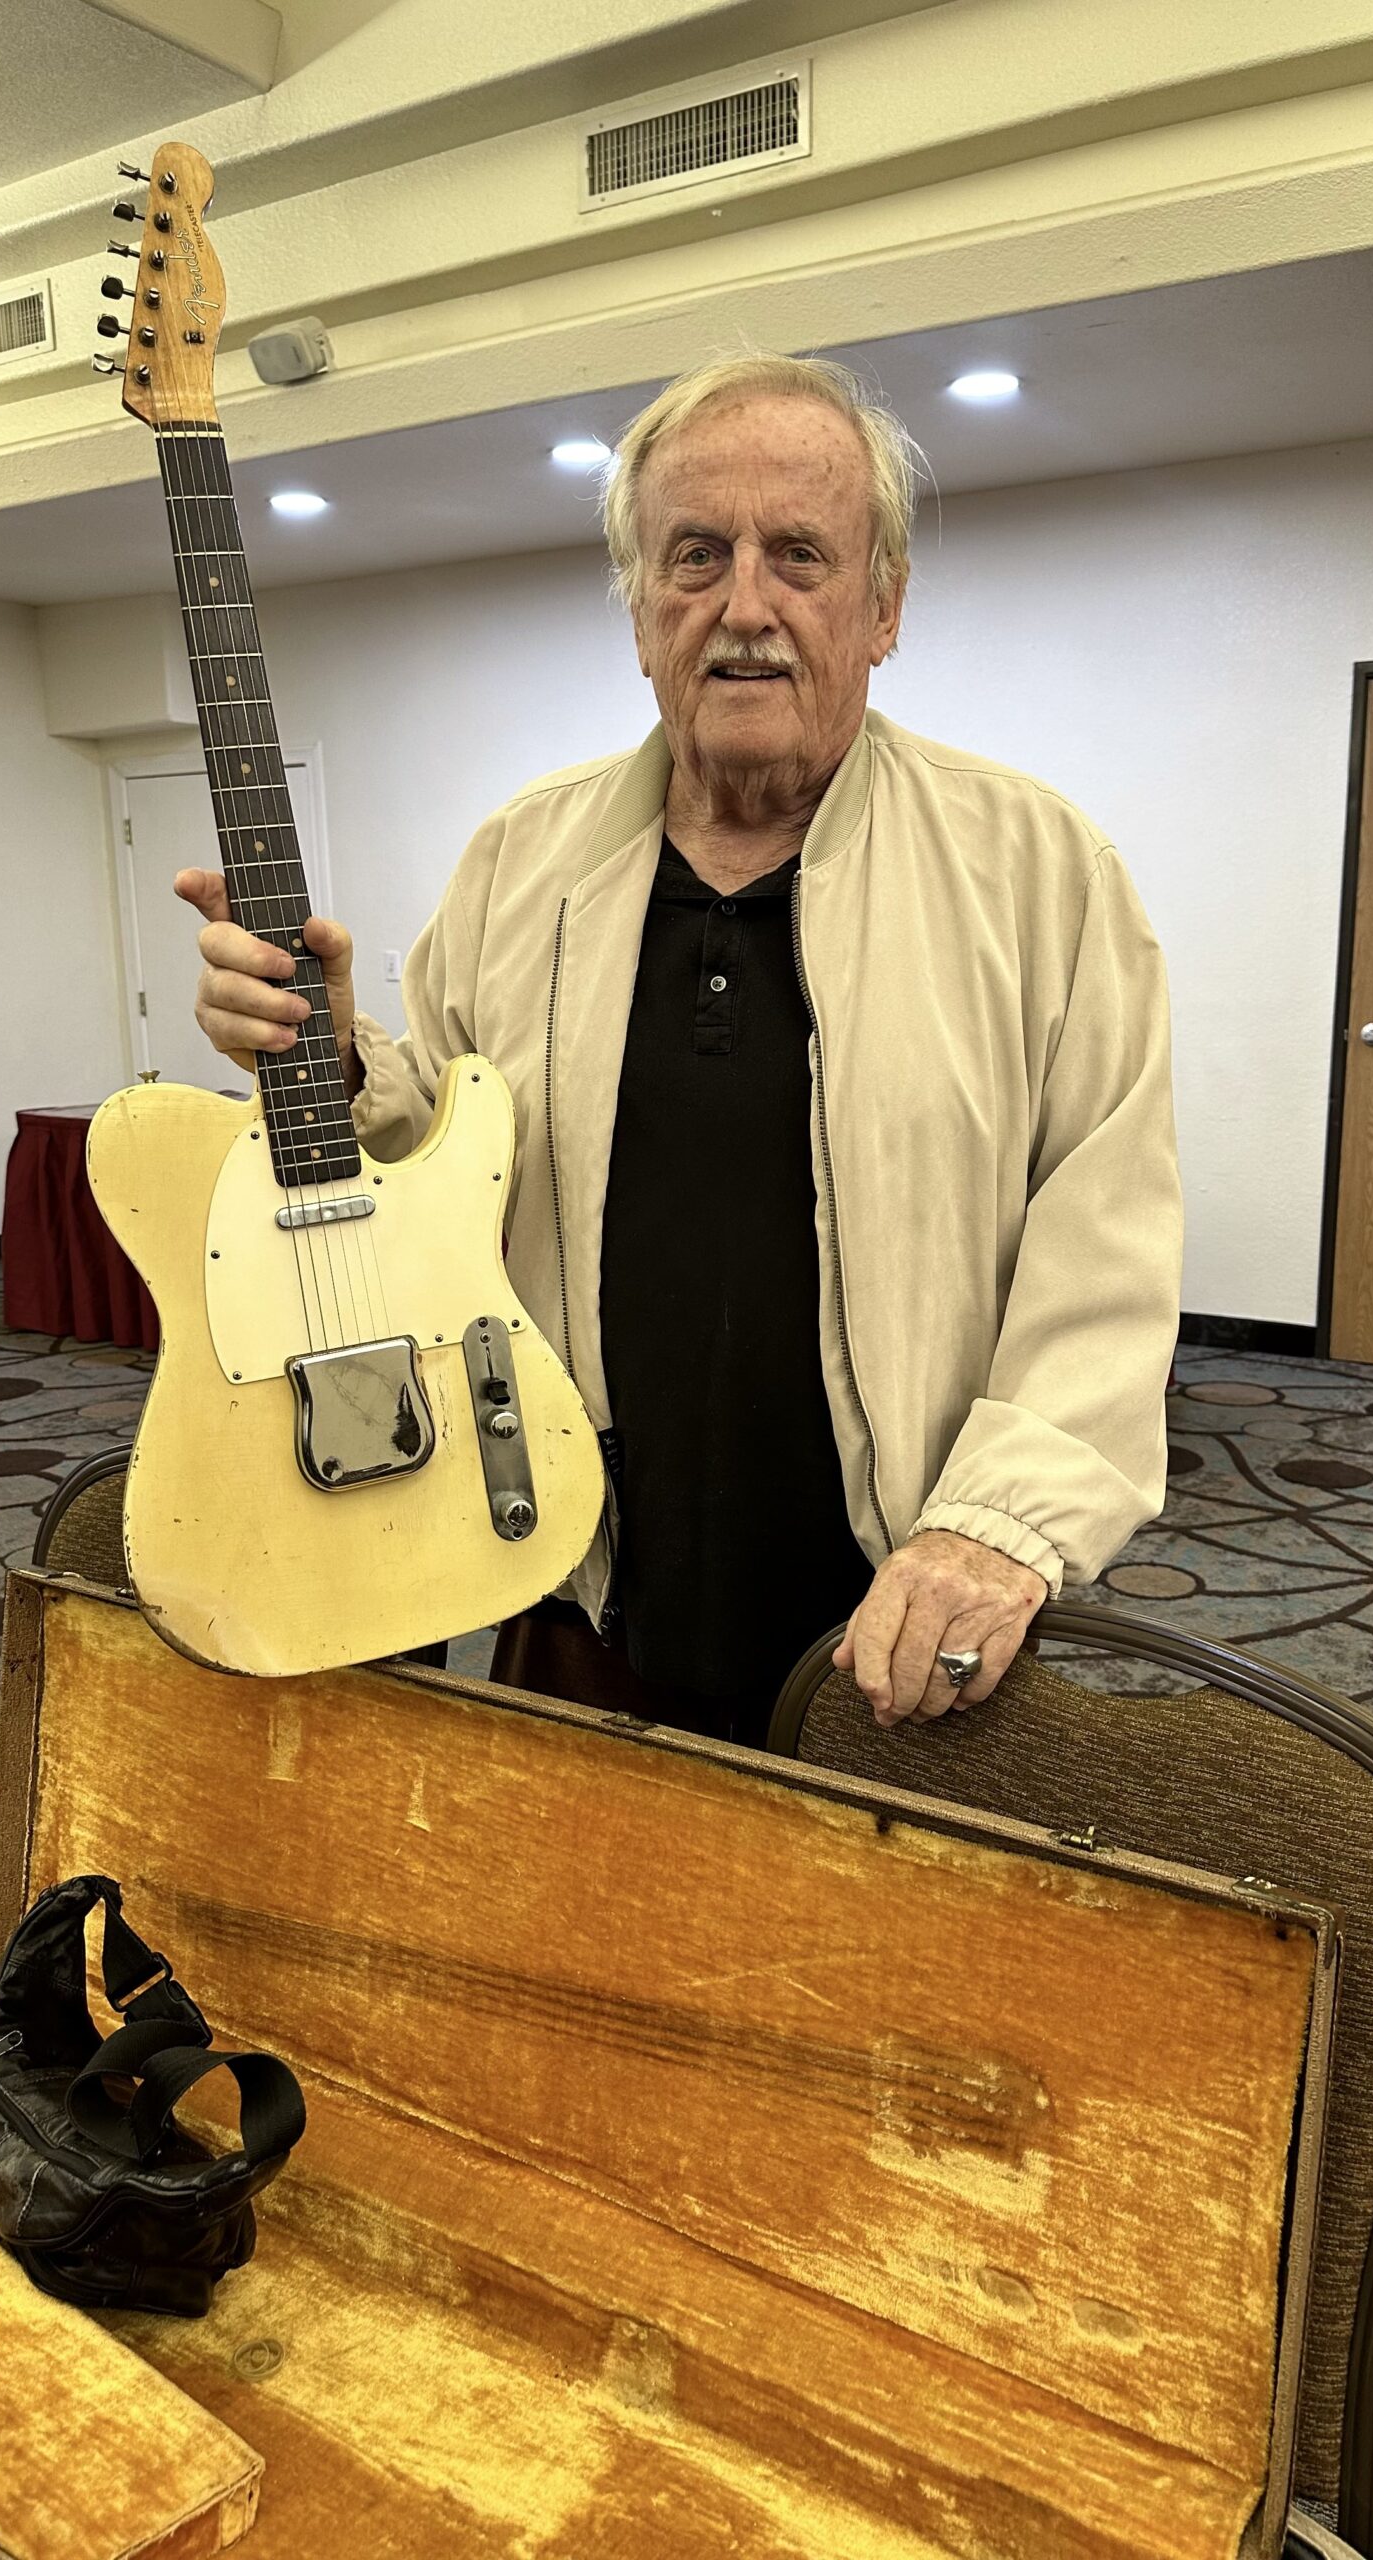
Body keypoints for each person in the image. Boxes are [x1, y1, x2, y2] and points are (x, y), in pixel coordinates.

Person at [180, 353, 1182, 1748]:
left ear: (883, 605)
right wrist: (338, 1067)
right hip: (574, 1590)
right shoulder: (522, 860)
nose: (746, 607)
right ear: (640, 612)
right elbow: (445, 1170)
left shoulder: (1038, 870)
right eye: (696, 556)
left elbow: (1109, 1243)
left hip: (894, 1618)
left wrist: (996, 1526)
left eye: (801, 556)